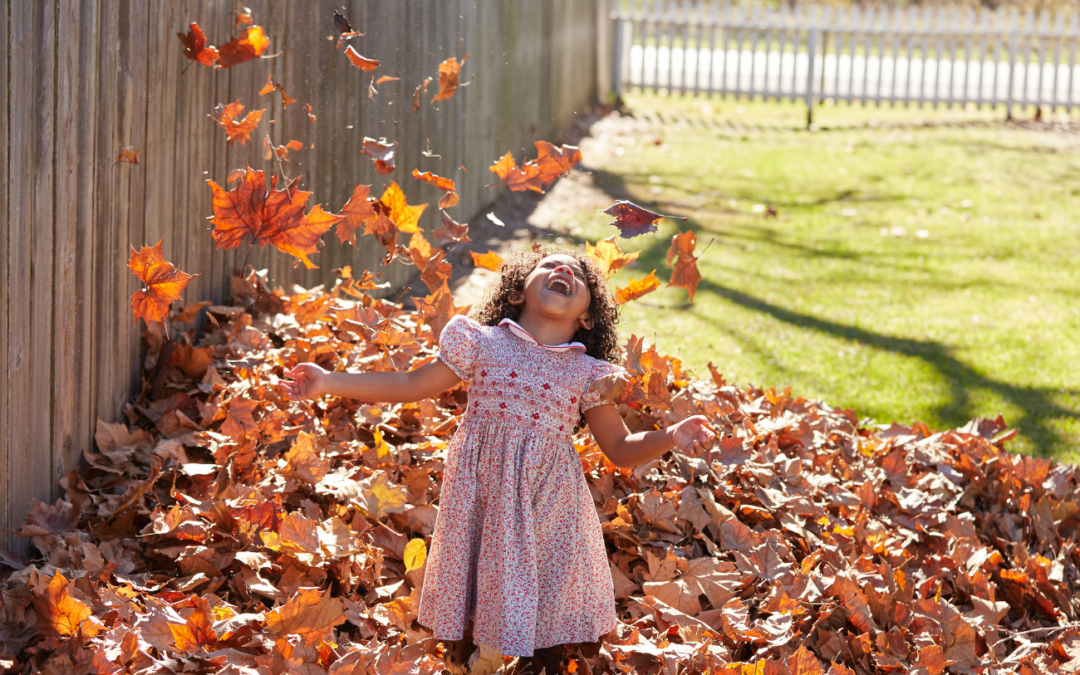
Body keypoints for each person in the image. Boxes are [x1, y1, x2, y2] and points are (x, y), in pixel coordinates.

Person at [280, 248, 716, 674]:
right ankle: (470, 661)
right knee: (476, 585)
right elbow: (411, 383)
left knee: (547, 603)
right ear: (516, 293)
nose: (562, 267)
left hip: (546, 507)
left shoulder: (587, 375)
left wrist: (672, 435)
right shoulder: (481, 343)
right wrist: (328, 381)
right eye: (548, 264)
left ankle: (540, 663)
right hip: (482, 496)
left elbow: (620, 448)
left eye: (578, 275)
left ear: (587, 317)